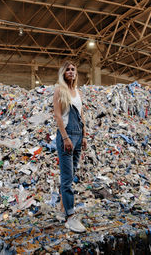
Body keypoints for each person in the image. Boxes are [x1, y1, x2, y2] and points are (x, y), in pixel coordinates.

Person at [53, 61, 87, 233]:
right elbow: (58, 116)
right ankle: (70, 217)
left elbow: (81, 115)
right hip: (66, 135)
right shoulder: (60, 90)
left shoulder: (78, 92)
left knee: (71, 174)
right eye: (68, 69)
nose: (71, 71)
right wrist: (65, 137)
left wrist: (84, 135)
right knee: (67, 179)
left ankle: (61, 209)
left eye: (73, 69)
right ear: (63, 73)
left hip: (78, 134)